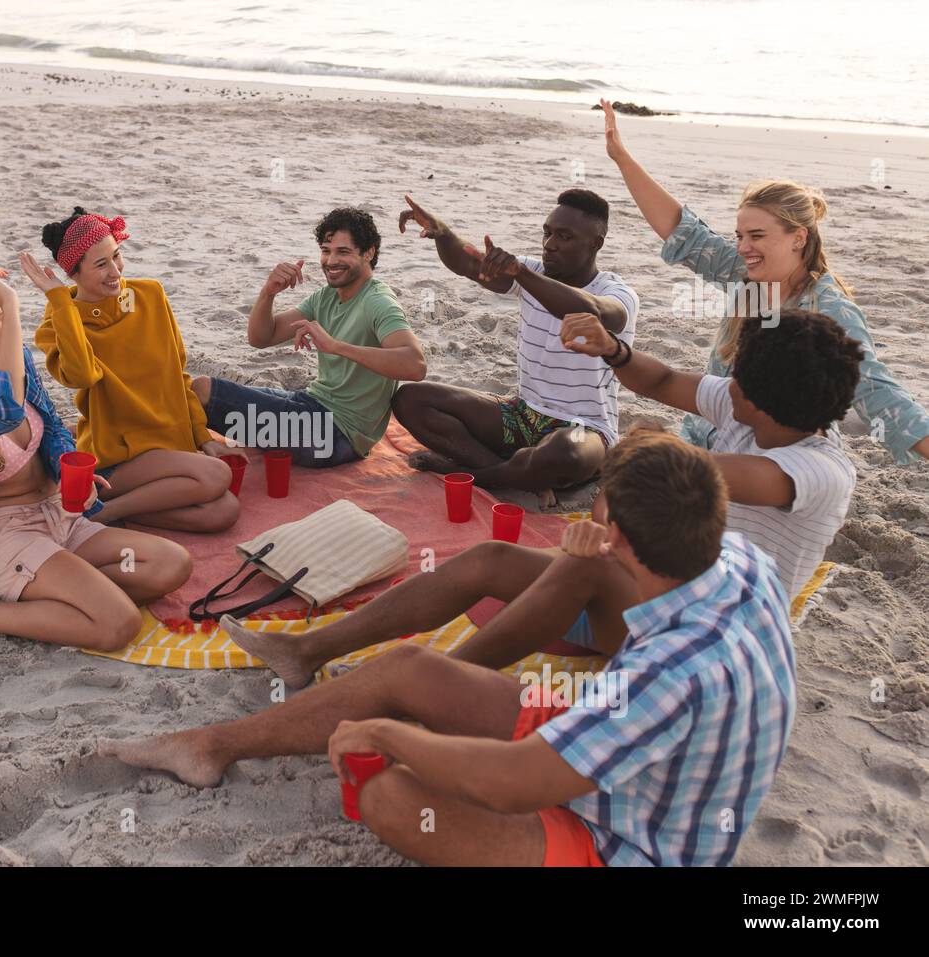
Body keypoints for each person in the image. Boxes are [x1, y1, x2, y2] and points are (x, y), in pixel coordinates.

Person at [101, 431, 798, 866]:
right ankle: (212, 745)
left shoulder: (664, 671)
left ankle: (377, 726)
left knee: (390, 796)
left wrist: (387, 734)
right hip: (627, 757)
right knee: (411, 668)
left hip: (624, 845)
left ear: (617, 540)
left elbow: (512, 782)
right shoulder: (741, 560)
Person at [223, 308, 861, 689]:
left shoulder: (816, 471)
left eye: (738, 377)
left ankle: (427, 684)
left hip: (708, 638)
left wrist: (640, 450)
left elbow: (691, 472)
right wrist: (614, 350)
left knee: (582, 567)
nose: (727, 382)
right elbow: (664, 379)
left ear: (763, 398)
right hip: (656, 590)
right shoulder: (754, 413)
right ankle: (308, 651)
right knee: (490, 561)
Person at [598, 97, 929, 464]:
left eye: (756, 236)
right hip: (707, 438)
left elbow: (877, 390)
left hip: (774, 456)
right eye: (739, 236)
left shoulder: (826, 308)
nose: (743, 247)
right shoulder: (747, 274)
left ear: (798, 238)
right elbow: (683, 231)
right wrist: (622, 159)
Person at [0, 266, 191, 650]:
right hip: (13, 536)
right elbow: (5, 411)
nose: (13, 328)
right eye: (3, 318)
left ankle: (62, 591)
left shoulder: (18, 365)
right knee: (119, 624)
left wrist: (68, 472)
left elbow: (54, 427)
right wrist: (10, 299)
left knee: (172, 564)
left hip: (62, 518)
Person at [392, 190, 638, 502]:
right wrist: (442, 232)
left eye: (564, 237)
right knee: (411, 399)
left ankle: (473, 475)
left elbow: (593, 311)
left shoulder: (616, 292)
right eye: (547, 233)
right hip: (522, 415)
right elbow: (469, 264)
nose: (549, 244)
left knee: (565, 453)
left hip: (584, 429)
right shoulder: (531, 272)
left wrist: (521, 274)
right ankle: (516, 473)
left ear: (596, 243)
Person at [24, 207, 238, 532]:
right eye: (101, 264)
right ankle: (100, 513)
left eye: (116, 256)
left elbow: (178, 373)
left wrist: (200, 434)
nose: (115, 271)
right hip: (117, 457)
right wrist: (61, 303)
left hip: (168, 445)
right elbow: (82, 375)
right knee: (217, 475)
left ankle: (98, 511)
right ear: (73, 273)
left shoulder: (150, 295)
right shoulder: (59, 322)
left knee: (224, 511)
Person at [189, 207, 426, 467]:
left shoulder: (378, 301)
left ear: (368, 253)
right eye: (326, 250)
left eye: (343, 252)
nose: (331, 261)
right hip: (312, 405)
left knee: (201, 391)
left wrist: (336, 347)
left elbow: (415, 365)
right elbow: (261, 338)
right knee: (192, 392)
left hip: (334, 435)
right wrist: (268, 293)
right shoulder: (326, 297)